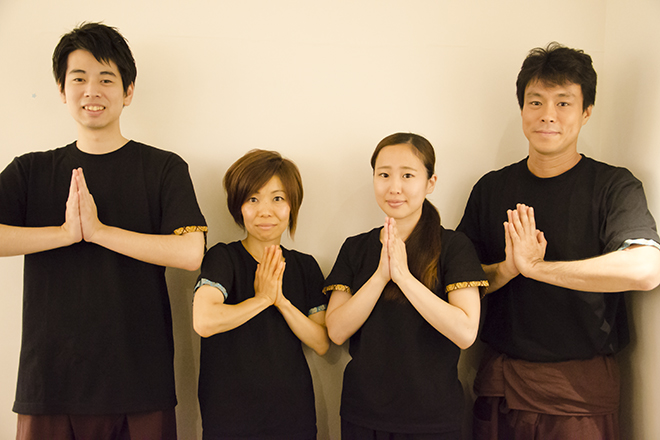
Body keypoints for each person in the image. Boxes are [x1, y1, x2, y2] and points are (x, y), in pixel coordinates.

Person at [0, 23, 207, 440]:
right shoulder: (31, 169)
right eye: (79, 78)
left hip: (139, 381)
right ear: (62, 90)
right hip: (50, 383)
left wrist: (99, 231)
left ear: (128, 91)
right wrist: (65, 233)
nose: (91, 90)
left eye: (106, 79)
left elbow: (190, 253)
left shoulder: (163, 167)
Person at [458, 42, 660, 439]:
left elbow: (645, 270)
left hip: (579, 393)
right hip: (502, 382)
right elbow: (459, 281)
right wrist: (509, 268)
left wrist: (538, 269)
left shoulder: (613, 185)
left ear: (586, 112)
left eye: (563, 103)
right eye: (536, 102)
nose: (547, 115)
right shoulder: (490, 188)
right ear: (522, 110)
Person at [324, 133, 487, 439]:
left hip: (432, 418)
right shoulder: (355, 248)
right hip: (363, 414)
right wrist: (380, 276)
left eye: (408, 175)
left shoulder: (454, 246)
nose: (394, 187)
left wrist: (404, 277)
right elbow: (336, 330)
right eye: (384, 175)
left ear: (430, 182)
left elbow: (465, 332)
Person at [192, 149, 329, 440]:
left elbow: (321, 342)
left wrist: (281, 301)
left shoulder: (305, 266)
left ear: (292, 205)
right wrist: (262, 299)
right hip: (229, 417)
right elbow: (204, 321)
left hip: (294, 416)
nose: (265, 211)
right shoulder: (223, 257)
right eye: (253, 199)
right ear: (238, 207)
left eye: (277, 198)